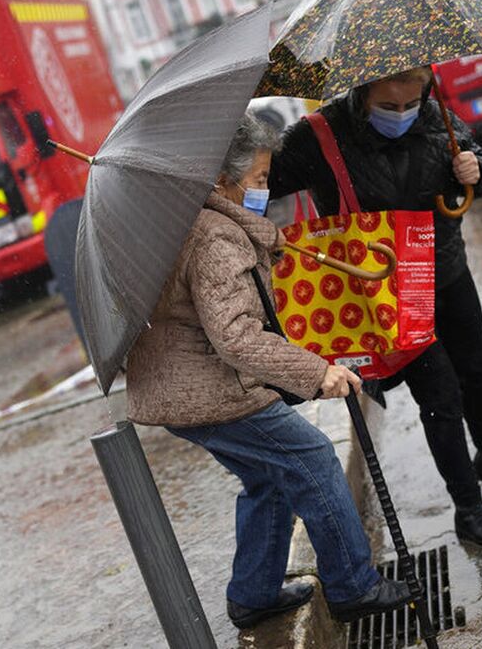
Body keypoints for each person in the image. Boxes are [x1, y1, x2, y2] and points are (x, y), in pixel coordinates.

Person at [126, 114, 410, 629]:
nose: (264, 189)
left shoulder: (201, 221)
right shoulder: (216, 237)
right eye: (257, 180)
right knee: (313, 458)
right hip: (210, 391)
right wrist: (317, 372)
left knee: (269, 479)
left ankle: (253, 594)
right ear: (220, 181)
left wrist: (266, 241)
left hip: (182, 389)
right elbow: (236, 337)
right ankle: (354, 587)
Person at [270, 67, 482, 547]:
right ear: (361, 94)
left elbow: (476, 166)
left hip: (447, 269)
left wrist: (476, 170)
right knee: (441, 397)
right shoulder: (320, 136)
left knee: (477, 368)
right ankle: (468, 508)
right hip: (388, 293)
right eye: (389, 106)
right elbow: (260, 183)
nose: (401, 115)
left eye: (410, 105)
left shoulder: (436, 115)